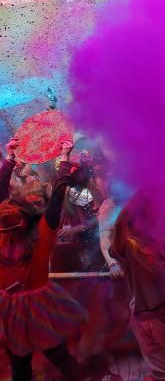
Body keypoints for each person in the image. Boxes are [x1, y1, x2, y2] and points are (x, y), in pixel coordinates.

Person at [0, 138, 91, 381]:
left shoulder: (43, 229)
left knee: (59, 357)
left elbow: (58, 194)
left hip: (38, 308)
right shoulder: (4, 229)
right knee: (21, 365)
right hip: (9, 309)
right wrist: (9, 159)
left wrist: (64, 157)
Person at [110, 194, 165, 381]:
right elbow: (118, 226)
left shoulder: (154, 242)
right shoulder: (130, 247)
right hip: (150, 321)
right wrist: (138, 194)